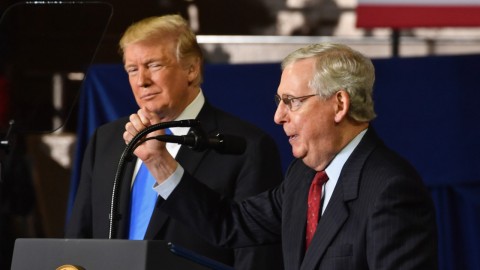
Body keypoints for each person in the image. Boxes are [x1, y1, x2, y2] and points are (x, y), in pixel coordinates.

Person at [124, 43, 439, 269]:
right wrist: (158, 161)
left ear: (339, 105)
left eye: (292, 101)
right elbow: (228, 225)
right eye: (279, 101)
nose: (278, 116)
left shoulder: (390, 189)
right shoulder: (303, 177)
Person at [65, 15, 284, 269]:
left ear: (191, 69)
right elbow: (78, 239)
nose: (141, 81)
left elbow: (255, 256)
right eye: (132, 69)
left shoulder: (247, 146)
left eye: (154, 65)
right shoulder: (107, 139)